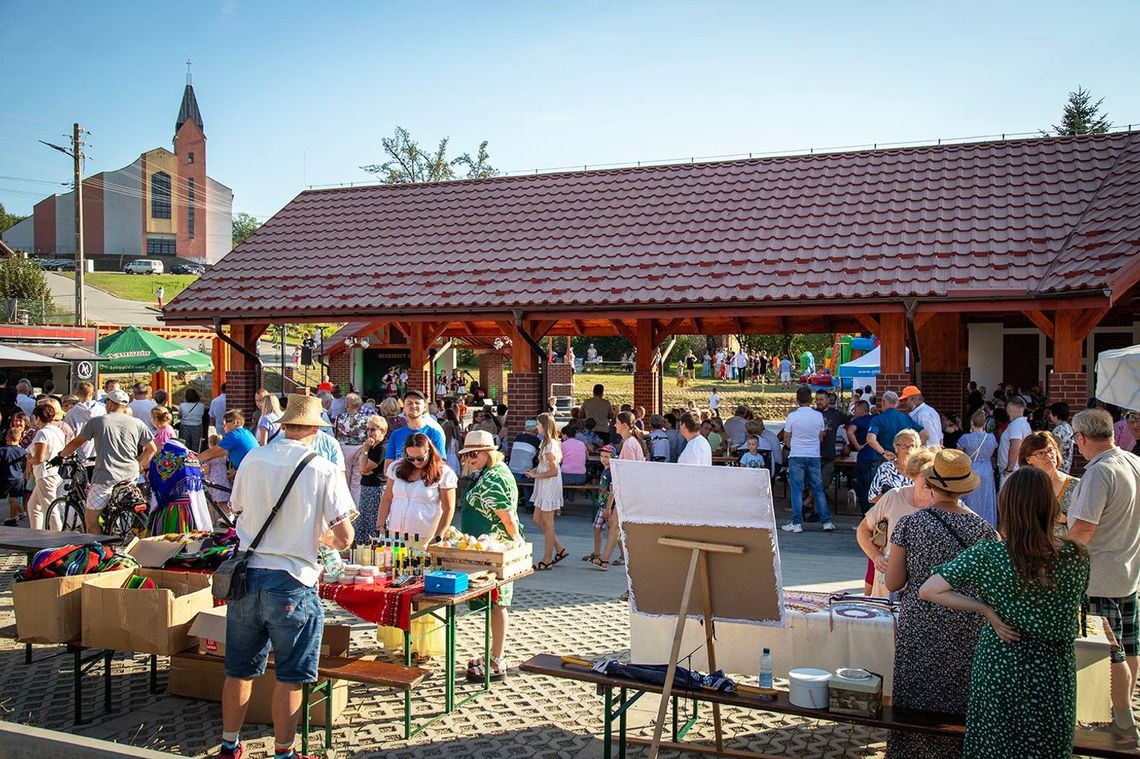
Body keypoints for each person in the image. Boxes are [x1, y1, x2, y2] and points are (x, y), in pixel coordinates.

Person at [217, 394, 354, 759]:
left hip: (247, 574)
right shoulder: (322, 467)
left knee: (239, 671)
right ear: (314, 429)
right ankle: (283, 752)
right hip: (293, 577)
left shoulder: (253, 457)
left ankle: (229, 745)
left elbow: (236, 510)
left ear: (284, 426)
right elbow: (344, 537)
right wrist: (319, 534)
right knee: (291, 676)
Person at [920, 467, 1090, 758]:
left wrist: (986, 609)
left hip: (1001, 661)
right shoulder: (1076, 556)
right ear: (1051, 506)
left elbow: (929, 590)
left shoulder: (988, 554)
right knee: (1046, 745)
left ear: (1006, 506)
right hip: (1052, 668)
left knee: (993, 744)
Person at [884, 448, 998, 758]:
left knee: (915, 699)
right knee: (959, 700)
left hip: (920, 622)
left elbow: (893, 583)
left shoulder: (911, 524)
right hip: (967, 625)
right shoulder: (984, 530)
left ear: (932, 484)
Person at [1066, 408, 1140, 742]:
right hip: (1127, 570)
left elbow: (1082, 531)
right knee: (1128, 647)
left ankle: (1122, 719)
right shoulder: (1133, 462)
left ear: (1081, 438)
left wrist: (1050, 549)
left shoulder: (1100, 472)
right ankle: (1121, 713)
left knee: (1113, 653)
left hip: (1100, 576)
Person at [458, 430, 520, 683]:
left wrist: (514, 548)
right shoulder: (487, 473)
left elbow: (508, 521)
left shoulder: (494, 478)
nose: (470, 459)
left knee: (497, 603)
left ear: (488, 452)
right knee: (491, 603)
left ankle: (497, 659)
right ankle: (492, 654)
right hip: (485, 551)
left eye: (474, 454)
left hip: (495, 551)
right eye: (467, 454)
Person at [57, 389, 157, 534]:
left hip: (105, 476)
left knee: (91, 519)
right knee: (120, 509)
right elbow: (151, 449)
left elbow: (76, 442)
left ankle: (98, 549)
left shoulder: (98, 421)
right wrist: (139, 466)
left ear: (109, 403)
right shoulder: (137, 423)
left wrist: (60, 456)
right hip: (130, 476)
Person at [856, 447, 936, 598]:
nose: (928, 481)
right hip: (885, 586)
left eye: (933, 476)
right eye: (923, 474)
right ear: (914, 475)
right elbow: (863, 530)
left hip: (923, 594)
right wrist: (876, 557)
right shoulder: (893, 496)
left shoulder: (944, 505)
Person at [779, 387, 833, 533]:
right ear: (811, 399)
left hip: (797, 454)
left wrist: (793, 446)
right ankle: (826, 521)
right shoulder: (818, 416)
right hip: (814, 454)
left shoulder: (792, 416)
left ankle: (797, 523)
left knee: (797, 490)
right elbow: (821, 436)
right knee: (818, 488)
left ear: (797, 400)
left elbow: (786, 437)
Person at [147, 438, 213, 534]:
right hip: (183, 510)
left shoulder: (157, 458)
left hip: (161, 509)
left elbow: (153, 484)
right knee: (183, 541)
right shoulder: (189, 457)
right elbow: (195, 492)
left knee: (161, 543)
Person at [527, 413, 567, 570]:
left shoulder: (549, 446)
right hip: (543, 486)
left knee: (548, 525)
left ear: (544, 426)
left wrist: (536, 474)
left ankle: (547, 559)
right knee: (537, 519)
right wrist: (533, 471)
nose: (536, 427)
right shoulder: (545, 444)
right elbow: (544, 466)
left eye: (538, 424)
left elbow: (554, 471)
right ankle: (560, 548)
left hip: (549, 487)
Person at [1020, 431, 1080, 528]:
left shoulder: (1077, 485)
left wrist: (1065, 519)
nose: (1048, 456)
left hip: (1066, 541)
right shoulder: (1022, 487)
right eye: (1040, 453)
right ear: (1028, 459)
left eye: (1050, 450)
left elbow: (1087, 522)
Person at [26, 403, 66, 530]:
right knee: (34, 506)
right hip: (55, 472)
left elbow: (39, 457)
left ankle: (57, 538)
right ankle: (36, 534)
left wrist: (29, 462)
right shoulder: (58, 430)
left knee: (50, 508)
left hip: (45, 473)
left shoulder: (42, 433)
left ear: (37, 417)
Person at [382, 390, 445, 471]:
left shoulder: (434, 434)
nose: (413, 405)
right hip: (401, 481)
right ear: (403, 407)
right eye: (409, 403)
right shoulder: (395, 435)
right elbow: (387, 468)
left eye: (417, 403)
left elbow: (440, 464)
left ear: (425, 407)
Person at [956, 410, 998, 527]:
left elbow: (958, 456)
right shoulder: (991, 438)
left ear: (971, 422)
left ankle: (971, 524)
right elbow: (993, 452)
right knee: (986, 499)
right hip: (987, 469)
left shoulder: (966, 438)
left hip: (971, 468)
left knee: (971, 499)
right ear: (985, 423)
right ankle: (987, 525)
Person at [353, 415, 388, 543]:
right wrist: (366, 450)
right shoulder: (372, 446)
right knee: (363, 521)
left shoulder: (382, 448)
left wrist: (365, 450)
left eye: (373, 430)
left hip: (376, 489)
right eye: (368, 429)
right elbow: (362, 469)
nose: (369, 433)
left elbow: (363, 468)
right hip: (366, 487)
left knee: (374, 523)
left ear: (382, 431)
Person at [865, 391, 923, 466]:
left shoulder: (877, 420)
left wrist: (884, 453)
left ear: (883, 402)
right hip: (903, 461)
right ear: (897, 403)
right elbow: (924, 434)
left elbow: (870, 439)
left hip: (882, 461)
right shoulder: (907, 418)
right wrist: (913, 451)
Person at [334, 393, 369, 504]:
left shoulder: (340, 417)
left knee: (344, 480)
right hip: (360, 448)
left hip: (344, 448)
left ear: (347, 404)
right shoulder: (366, 419)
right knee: (357, 481)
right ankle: (356, 507)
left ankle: (345, 506)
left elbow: (336, 432)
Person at [815, 389, 849, 506]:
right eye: (817, 400)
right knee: (813, 484)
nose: (819, 402)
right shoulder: (813, 414)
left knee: (824, 483)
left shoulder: (836, 414)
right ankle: (814, 508)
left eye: (821, 399)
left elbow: (850, 421)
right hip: (814, 454)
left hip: (829, 454)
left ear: (828, 400)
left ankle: (812, 506)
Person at [64, 381, 105, 475]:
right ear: (93, 393)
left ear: (77, 394)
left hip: (80, 457)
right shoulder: (103, 410)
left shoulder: (71, 413)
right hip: (100, 455)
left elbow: (69, 435)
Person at [846, 400, 876, 514]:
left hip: (863, 456)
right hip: (877, 456)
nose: (854, 411)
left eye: (856, 409)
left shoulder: (858, 421)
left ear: (862, 409)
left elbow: (850, 432)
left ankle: (865, 517)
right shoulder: (875, 419)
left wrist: (858, 446)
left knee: (864, 488)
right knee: (874, 487)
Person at [997, 396, 1032, 485]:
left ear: (1009, 408)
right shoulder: (1024, 423)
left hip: (1012, 472)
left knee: (1007, 497)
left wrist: (1009, 469)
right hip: (1018, 469)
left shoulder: (1016, 425)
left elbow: (1015, 446)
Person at [0, 428, 26, 526]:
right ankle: (12, 517)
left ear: (7, 437)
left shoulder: (3, 450)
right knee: (14, 497)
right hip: (18, 477)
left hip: (5, 477)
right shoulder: (22, 451)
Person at [507, 419, 541, 485]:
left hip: (511, 470)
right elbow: (541, 457)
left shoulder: (517, 438)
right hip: (525, 473)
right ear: (536, 429)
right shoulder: (536, 441)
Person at [1046, 402, 1075, 473]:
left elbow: (1055, 447)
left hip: (1059, 465)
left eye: (1051, 413)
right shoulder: (1068, 427)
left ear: (1056, 415)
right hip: (1066, 463)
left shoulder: (1058, 430)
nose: (1050, 415)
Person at [178, 388, 208, 453]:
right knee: (196, 447)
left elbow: (179, 416)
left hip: (185, 426)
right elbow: (202, 415)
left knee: (185, 446)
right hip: (197, 427)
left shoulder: (182, 405)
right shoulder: (201, 405)